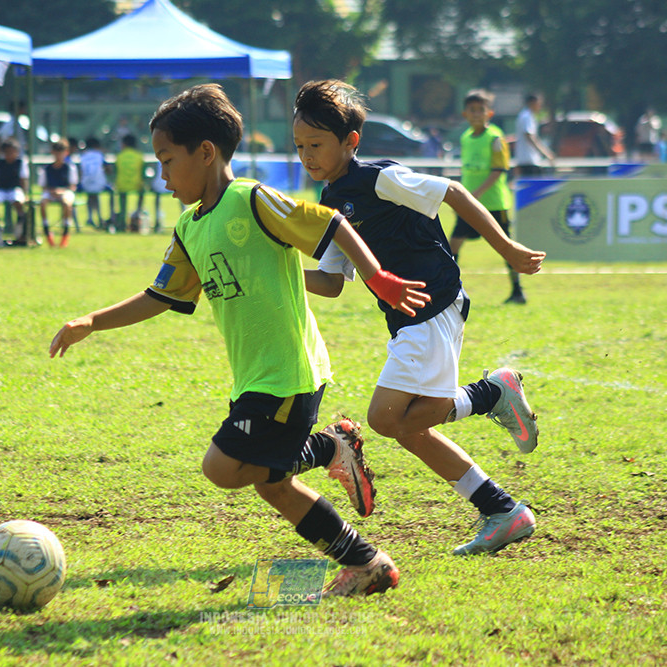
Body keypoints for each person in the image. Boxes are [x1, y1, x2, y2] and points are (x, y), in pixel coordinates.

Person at [49, 84, 430, 597]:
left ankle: (327, 450)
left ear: (205, 153)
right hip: (257, 375)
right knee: (270, 482)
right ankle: (367, 563)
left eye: (166, 160)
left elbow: (333, 223)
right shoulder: (189, 227)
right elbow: (160, 296)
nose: (161, 175)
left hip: (288, 372)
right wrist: (90, 322)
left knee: (223, 468)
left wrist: (378, 277)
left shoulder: (250, 200)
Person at [294, 79, 546, 556]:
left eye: (317, 145)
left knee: (386, 419)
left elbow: (452, 192)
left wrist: (507, 249)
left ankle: (491, 394)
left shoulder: (378, 179)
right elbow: (330, 283)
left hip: (433, 302)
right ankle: (501, 509)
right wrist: (279, 270)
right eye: (300, 146)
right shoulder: (329, 203)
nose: (307, 155)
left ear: (351, 142)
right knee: (407, 427)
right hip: (407, 318)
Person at [451, 89, 526, 304]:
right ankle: (452, 290)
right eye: (472, 110)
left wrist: (476, 194)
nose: (476, 114)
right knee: (452, 246)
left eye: (481, 110)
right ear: (465, 114)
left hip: (494, 204)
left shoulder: (495, 138)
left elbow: (499, 170)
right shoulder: (466, 138)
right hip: (469, 203)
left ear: (489, 114)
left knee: (506, 248)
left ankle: (517, 291)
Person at [0, 138, 29, 247]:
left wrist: (25, 194)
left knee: (17, 201)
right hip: (1, 189)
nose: (10, 154)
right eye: (7, 152)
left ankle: (19, 225)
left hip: (15, 189)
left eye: (12, 152)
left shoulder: (20, 164)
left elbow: (23, 180)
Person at [39, 140, 79, 248]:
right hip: (50, 192)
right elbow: (43, 186)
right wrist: (52, 191)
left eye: (61, 153)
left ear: (66, 153)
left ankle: (66, 231)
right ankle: (46, 228)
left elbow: (73, 186)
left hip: (65, 192)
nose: (58, 156)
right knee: (43, 203)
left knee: (67, 203)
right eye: (56, 153)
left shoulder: (70, 167)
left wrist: (61, 191)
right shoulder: (46, 169)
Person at [514, 93, 554, 177]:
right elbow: (530, 137)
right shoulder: (527, 116)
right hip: (528, 160)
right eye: (539, 103)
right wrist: (545, 153)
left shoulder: (526, 115)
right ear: (532, 103)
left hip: (527, 160)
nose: (540, 106)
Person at [114, 133, 145, 233]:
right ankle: (137, 214)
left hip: (122, 185)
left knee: (122, 202)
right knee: (142, 193)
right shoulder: (139, 156)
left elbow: (116, 171)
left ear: (124, 144)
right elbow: (143, 172)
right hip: (136, 185)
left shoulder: (119, 156)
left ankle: (122, 223)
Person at [79, 137, 111, 230]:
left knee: (91, 196)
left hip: (86, 184)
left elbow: (81, 171)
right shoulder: (100, 154)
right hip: (100, 184)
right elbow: (108, 169)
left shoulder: (83, 155)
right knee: (106, 193)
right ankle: (104, 217)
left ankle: (90, 217)